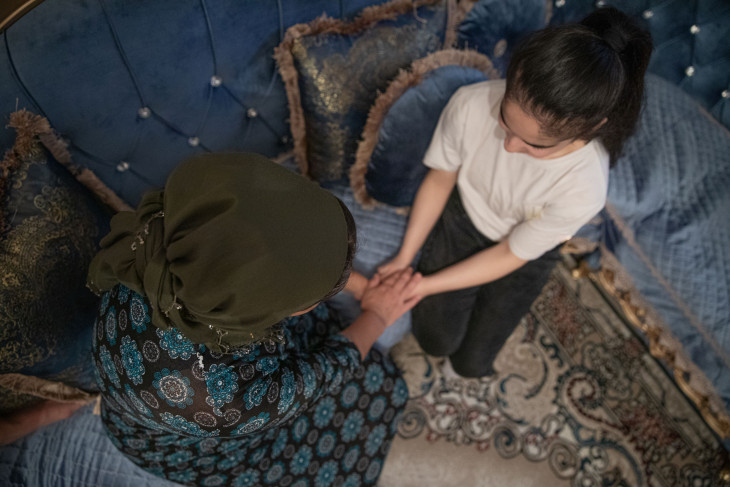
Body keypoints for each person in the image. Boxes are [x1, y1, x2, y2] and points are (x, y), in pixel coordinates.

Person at [86, 152, 422, 486]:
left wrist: (354, 284)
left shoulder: (181, 230)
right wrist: (379, 313)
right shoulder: (226, 401)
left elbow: (275, 246)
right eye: (315, 296)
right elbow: (328, 369)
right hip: (199, 443)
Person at [378, 7, 653, 378]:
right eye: (505, 121)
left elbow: (511, 252)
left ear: (587, 130)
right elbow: (441, 179)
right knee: (435, 341)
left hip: (522, 250)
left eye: (534, 145)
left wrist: (423, 285)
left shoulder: (585, 186)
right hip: (464, 214)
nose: (508, 146)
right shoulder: (470, 103)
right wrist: (403, 259)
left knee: (471, 363)